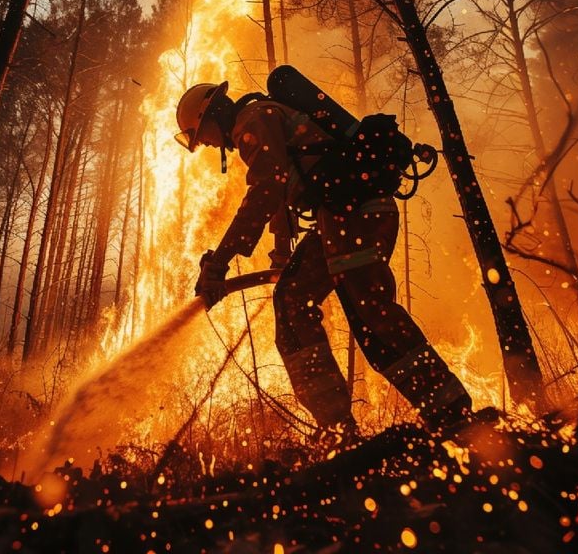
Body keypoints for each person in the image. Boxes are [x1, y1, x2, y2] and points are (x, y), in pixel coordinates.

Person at [174, 75, 476, 443]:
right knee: (296, 302)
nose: (204, 144)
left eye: (200, 135)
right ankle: (342, 430)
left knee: (372, 316)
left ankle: (451, 415)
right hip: (345, 216)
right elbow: (284, 192)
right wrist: (283, 254)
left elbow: (268, 187)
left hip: (351, 215)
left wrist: (220, 263)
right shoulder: (265, 116)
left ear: (210, 117)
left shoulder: (252, 119)